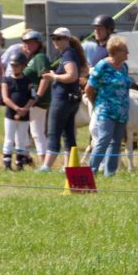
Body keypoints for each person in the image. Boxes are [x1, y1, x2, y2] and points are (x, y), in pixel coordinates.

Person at [38, 27, 88, 172]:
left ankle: (46, 166)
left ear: (67, 39)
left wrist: (53, 76)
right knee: (68, 133)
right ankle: (69, 166)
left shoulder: (68, 54)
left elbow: (72, 75)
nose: (55, 41)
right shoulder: (70, 54)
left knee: (53, 132)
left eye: (58, 38)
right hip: (70, 99)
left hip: (62, 100)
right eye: (53, 38)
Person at [85, 35, 132, 177]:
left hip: (122, 111)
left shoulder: (124, 67)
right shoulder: (102, 66)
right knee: (104, 138)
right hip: (105, 109)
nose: (127, 53)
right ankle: (91, 170)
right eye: (125, 50)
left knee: (116, 142)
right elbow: (89, 88)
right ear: (115, 51)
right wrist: (96, 104)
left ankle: (110, 172)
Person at [0, 52, 35, 171]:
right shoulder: (6, 80)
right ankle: (7, 163)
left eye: (17, 65)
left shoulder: (28, 81)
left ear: (23, 66)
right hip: (10, 115)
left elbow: (32, 97)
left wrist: (25, 109)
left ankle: (19, 163)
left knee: (21, 139)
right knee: (9, 138)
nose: (14, 67)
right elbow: (5, 98)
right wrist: (17, 109)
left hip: (24, 115)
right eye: (12, 65)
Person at [21, 30, 51, 165]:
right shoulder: (32, 58)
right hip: (36, 101)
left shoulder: (40, 58)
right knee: (37, 132)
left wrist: (37, 96)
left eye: (31, 42)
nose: (27, 45)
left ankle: (25, 157)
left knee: (21, 127)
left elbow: (45, 77)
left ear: (38, 44)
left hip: (36, 101)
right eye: (25, 42)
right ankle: (42, 161)